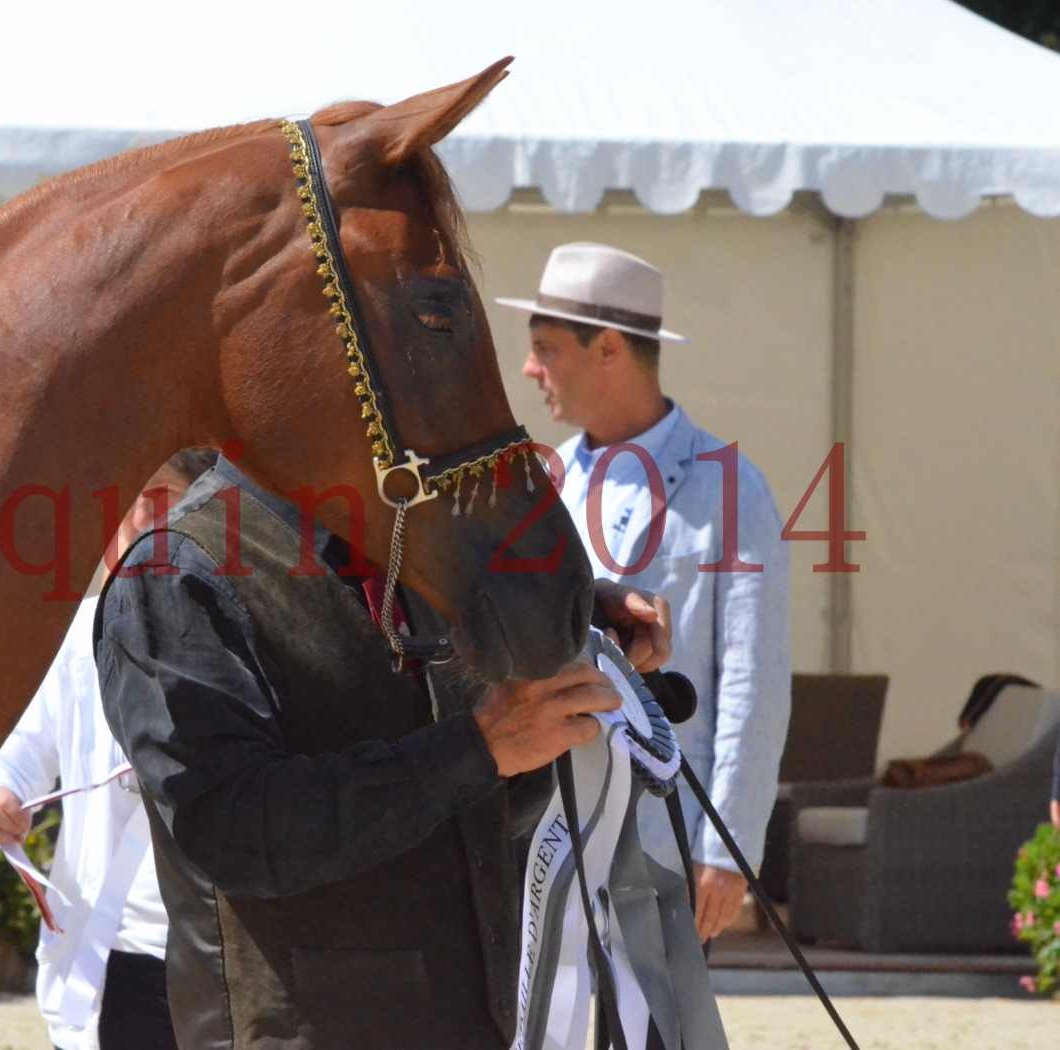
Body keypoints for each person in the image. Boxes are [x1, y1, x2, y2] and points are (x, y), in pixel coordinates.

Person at [95, 454, 670, 1049]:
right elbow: (235, 832)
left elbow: (495, 811)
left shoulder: (422, 551)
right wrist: (480, 747)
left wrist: (565, 661)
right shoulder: (177, 572)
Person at [498, 241, 791, 943]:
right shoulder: (545, 484)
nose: (529, 369)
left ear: (606, 349)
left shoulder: (727, 484)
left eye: (545, 347)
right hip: (548, 831)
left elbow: (754, 679)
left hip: (667, 835)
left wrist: (725, 848)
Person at [0, 450, 214, 1050]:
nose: (140, 513)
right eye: (125, 495)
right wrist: (3, 796)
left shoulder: (246, 647)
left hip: (213, 967)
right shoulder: (76, 636)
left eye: (163, 494)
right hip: (101, 964)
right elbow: (21, 752)